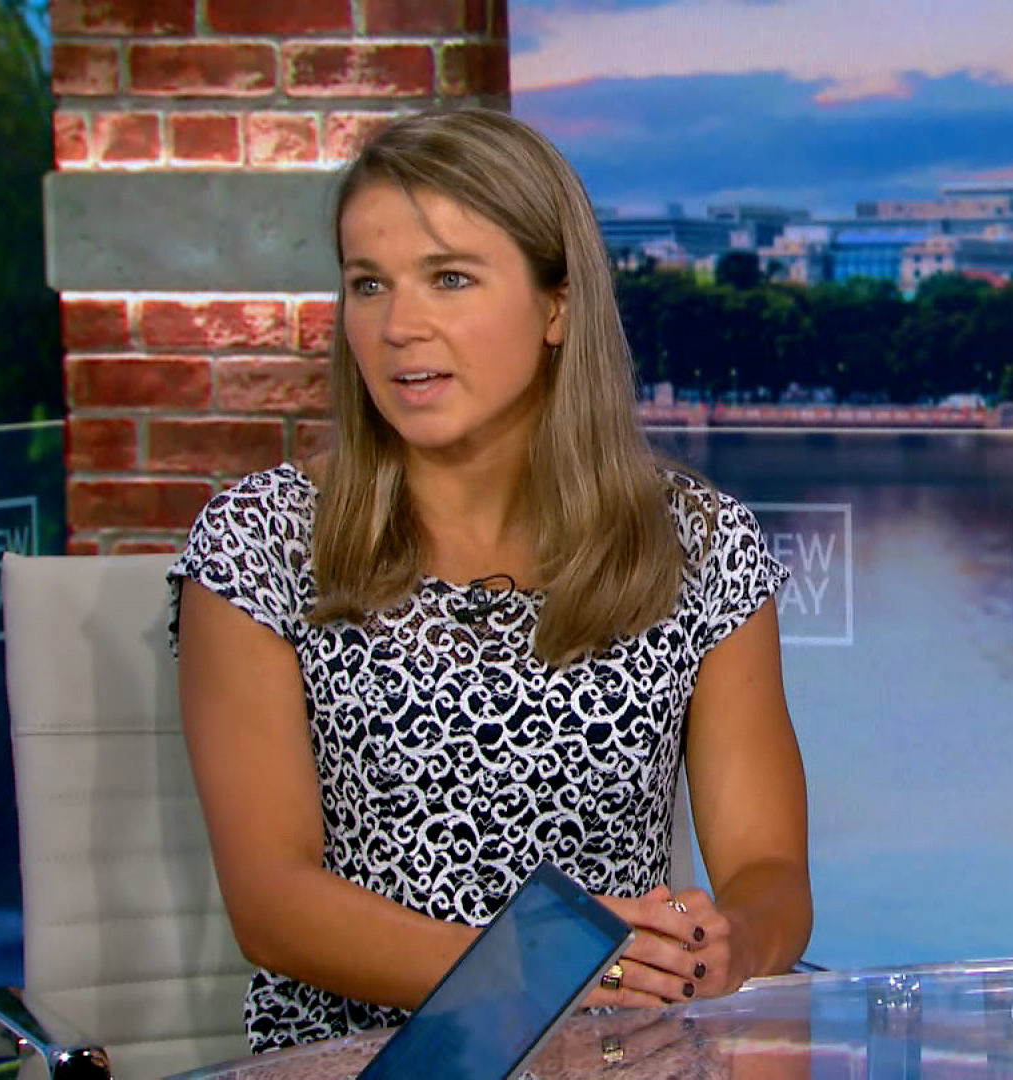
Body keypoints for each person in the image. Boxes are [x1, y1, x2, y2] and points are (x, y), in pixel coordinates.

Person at [169, 107, 811, 1052]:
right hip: (365, 1060)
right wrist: (545, 971)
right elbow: (271, 903)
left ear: (557, 307)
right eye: (369, 284)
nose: (398, 326)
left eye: (450, 278)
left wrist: (725, 942)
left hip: (621, 1057)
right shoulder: (259, 545)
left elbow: (770, 870)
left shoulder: (699, 545)